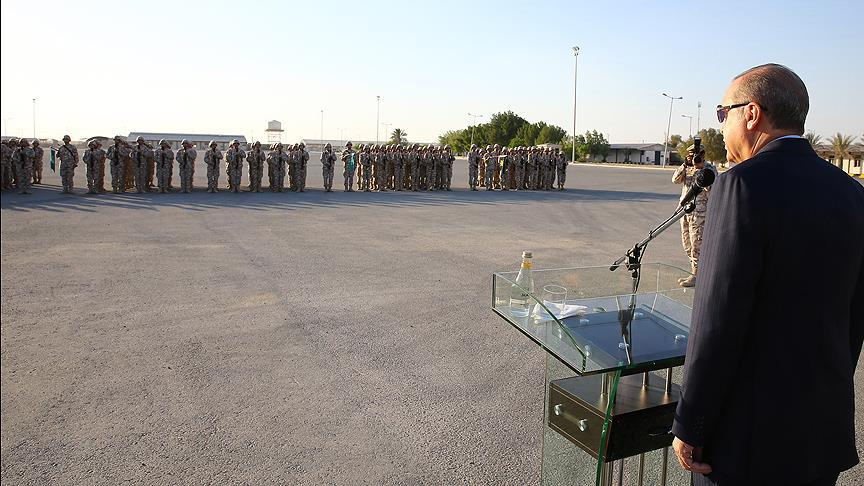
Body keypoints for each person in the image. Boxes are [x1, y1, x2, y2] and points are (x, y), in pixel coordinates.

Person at [671, 64, 864, 486]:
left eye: (724, 114)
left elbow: (717, 319)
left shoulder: (741, 184)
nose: (720, 127)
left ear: (752, 114)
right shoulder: (852, 194)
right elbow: (854, 317)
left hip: (747, 440)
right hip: (818, 432)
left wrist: (691, 422)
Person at [672, 143, 717, 287]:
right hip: (685, 211)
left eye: (698, 154)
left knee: (697, 244)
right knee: (687, 244)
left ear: (703, 154)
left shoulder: (709, 169)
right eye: (691, 154)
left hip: (700, 213)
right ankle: (694, 272)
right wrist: (685, 164)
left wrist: (701, 169)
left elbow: (712, 188)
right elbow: (675, 180)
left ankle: (697, 276)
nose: (695, 156)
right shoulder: (687, 168)